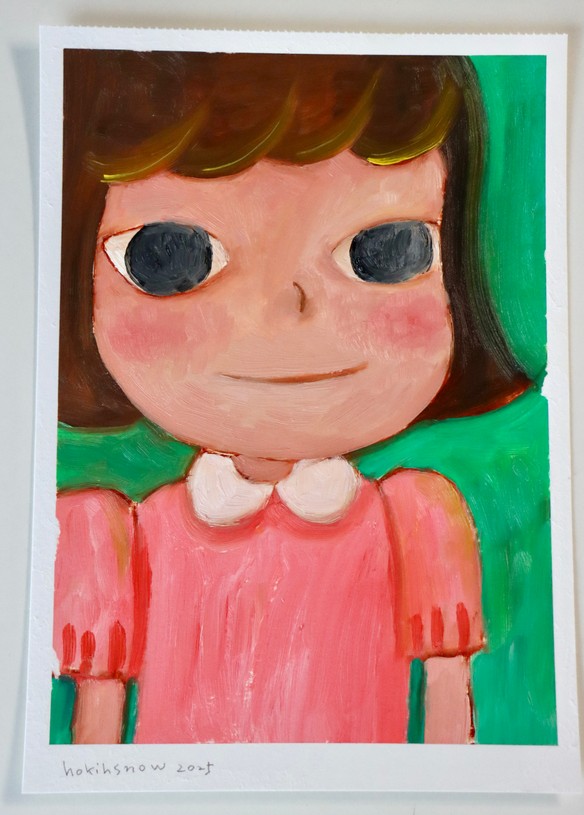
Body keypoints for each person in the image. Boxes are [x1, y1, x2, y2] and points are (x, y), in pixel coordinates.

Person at [53, 51, 529, 744]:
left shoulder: (420, 521)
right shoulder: (113, 538)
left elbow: (451, 733)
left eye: (384, 250)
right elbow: (89, 758)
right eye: (171, 255)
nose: (288, 307)